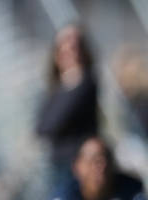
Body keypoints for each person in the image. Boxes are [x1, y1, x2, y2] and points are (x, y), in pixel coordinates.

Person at [35, 24, 100, 188]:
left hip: (80, 162)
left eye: (74, 46)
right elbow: (41, 127)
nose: (69, 52)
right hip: (59, 161)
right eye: (64, 47)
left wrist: (72, 78)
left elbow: (55, 122)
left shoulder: (85, 83)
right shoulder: (57, 86)